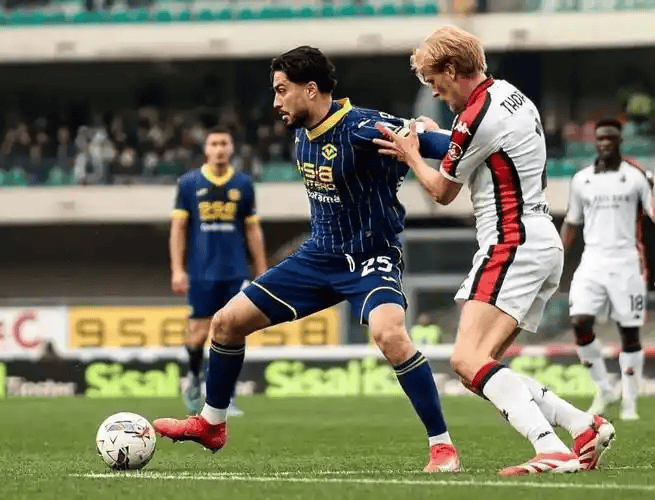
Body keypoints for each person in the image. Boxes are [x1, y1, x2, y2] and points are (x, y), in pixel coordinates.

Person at [155, 45, 461, 473]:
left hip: (370, 257)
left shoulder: (363, 127)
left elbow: (446, 144)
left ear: (311, 89)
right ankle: (211, 423)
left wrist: (440, 134)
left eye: (282, 90)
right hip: (317, 257)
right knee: (224, 323)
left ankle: (442, 447)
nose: (275, 102)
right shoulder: (302, 129)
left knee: (390, 335)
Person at [374, 25, 615, 476]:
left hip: (511, 241)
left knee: (466, 360)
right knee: (478, 369)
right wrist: (439, 135)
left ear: (451, 69)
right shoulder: (509, 95)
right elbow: (477, 144)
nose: (436, 92)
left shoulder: (474, 118)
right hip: (539, 238)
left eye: (435, 81)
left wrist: (410, 153)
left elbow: (442, 192)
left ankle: (551, 447)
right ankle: (582, 426)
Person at [560, 118, 654, 421]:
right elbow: (571, 222)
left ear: (619, 142)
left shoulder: (637, 177)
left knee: (629, 332)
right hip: (592, 260)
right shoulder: (582, 179)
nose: (604, 143)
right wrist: (557, 258)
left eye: (610, 138)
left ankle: (630, 403)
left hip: (627, 261)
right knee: (579, 321)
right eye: (600, 138)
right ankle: (604, 389)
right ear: (595, 142)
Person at [170, 126, 267, 415]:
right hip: (201, 272)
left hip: (235, 271)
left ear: (232, 148)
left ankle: (227, 395)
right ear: (206, 149)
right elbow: (178, 228)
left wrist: (262, 269)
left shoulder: (243, 184)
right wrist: (177, 269)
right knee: (198, 334)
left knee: (233, 332)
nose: (220, 149)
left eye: (224, 143)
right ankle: (193, 378)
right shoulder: (189, 183)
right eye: (214, 143)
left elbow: (252, 229)